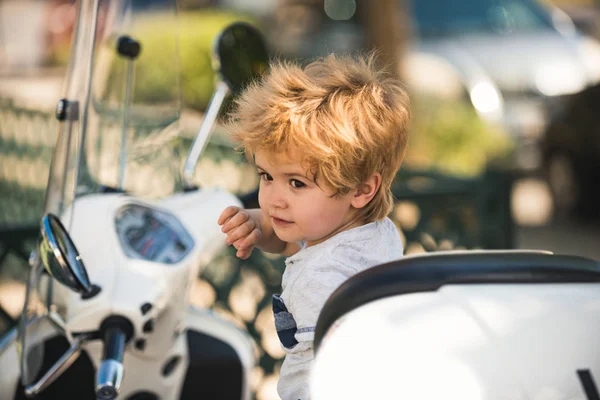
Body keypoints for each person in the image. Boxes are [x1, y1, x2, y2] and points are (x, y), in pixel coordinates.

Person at [217, 53, 410, 400]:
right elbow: (295, 242)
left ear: (362, 189)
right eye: (266, 176)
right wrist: (259, 226)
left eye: (297, 183)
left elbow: (326, 380)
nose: (274, 200)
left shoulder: (322, 281)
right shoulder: (370, 233)